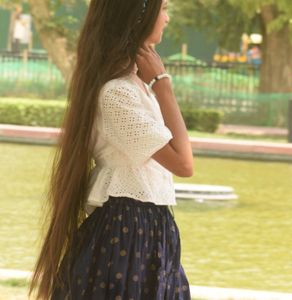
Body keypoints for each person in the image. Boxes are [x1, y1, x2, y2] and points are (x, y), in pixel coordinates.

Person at [29, 0, 193, 299]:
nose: (167, 18)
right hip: (127, 234)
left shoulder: (134, 86)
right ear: (139, 15)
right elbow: (184, 164)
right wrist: (164, 84)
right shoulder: (117, 93)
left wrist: (155, 85)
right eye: (164, 8)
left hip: (149, 227)